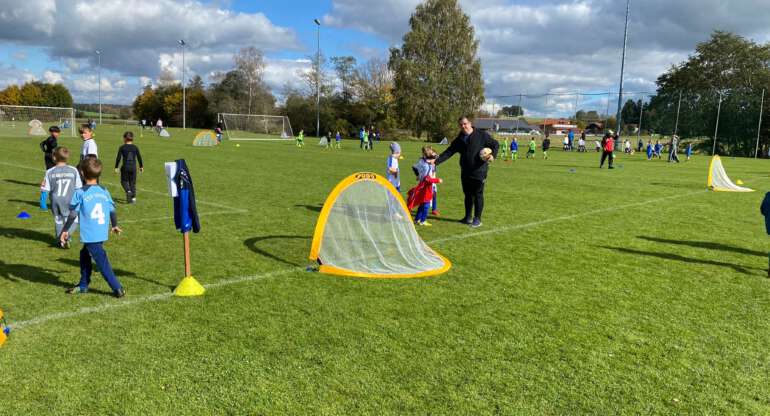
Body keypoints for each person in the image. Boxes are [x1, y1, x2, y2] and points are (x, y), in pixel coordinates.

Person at [60, 157, 125, 298]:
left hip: (90, 233)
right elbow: (112, 210)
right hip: (101, 230)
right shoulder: (104, 190)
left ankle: (117, 288)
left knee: (101, 261)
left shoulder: (80, 192)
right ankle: (83, 284)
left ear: (82, 173)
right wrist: (114, 225)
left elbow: (72, 215)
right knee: (84, 254)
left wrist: (65, 230)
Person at [435, 116, 499, 228]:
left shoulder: (481, 135)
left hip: (479, 171)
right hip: (465, 171)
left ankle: (477, 219)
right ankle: (468, 217)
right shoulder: (460, 139)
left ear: (470, 123)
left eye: (465, 123)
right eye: (461, 125)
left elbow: (495, 144)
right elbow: (449, 152)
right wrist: (436, 161)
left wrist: (492, 155)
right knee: (468, 195)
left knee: (478, 194)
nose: (463, 126)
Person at [41, 146, 82, 248]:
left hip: (56, 201)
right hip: (70, 200)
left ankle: (60, 240)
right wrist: (81, 200)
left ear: (54, 158)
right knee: (74, 219)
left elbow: (45, 189)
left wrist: (42, 202)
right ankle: (66, 236)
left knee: (58, 220)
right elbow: (79, 188)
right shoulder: (73, 170)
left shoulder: (50, 172)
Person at [407, 149, 442, 227]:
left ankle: (417, 219)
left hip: (423, 186)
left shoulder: (425, 163)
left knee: (422, 204)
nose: (435, 161)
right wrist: (437, 180)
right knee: (426, 205)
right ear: (430, 159)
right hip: (426, 188)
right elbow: (427, 179)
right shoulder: (427, 166)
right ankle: (423, 220)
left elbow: (416, 167)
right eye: (434, 159)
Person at [114, 131, 144, 203]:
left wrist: (116, 167)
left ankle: (128, 191)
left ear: (124, 138)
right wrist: (141, 166)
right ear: (132, 138)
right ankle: (133, 199)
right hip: (133, 168)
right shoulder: (135, 147)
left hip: (125, 167)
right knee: (132, 183)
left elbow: (118, 158)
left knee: (124, 181)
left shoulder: (122, 147)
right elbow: (139, 157)